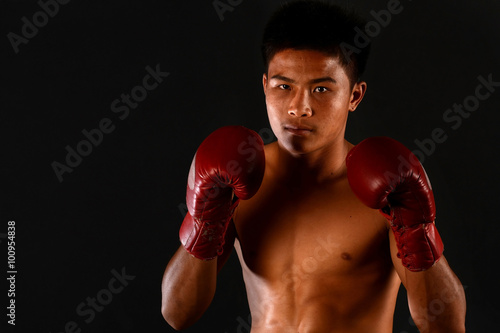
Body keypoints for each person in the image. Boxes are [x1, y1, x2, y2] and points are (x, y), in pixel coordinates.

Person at [161, 1, 466, 332]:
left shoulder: (387, 190)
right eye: (284, 86)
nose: (298, 108)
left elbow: (446, 326)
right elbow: (177, 314)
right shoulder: (235, 181)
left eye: (321, 89)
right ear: (265, 86)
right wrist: (205, 223)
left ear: (354, 96)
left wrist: (416, 229)